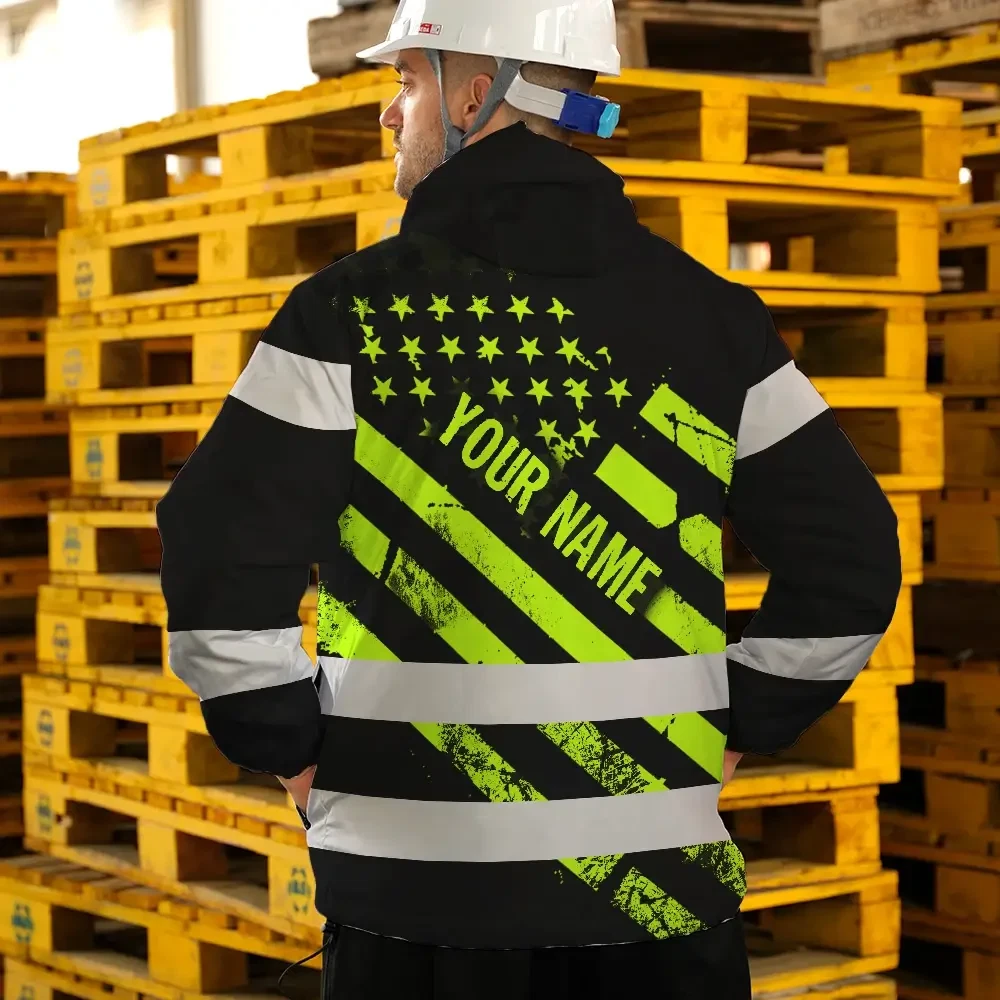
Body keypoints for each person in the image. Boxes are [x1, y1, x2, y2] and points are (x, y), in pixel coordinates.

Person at [155, 0, 902, 996]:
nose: (389, 113)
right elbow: (852, 562)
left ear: (476, 97)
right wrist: (742, 726)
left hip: (415, 906)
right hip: (656, 904)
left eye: (407, 82)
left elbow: (214, 554)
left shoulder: (345, 316)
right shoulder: (713, 319)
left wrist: (287, 749)